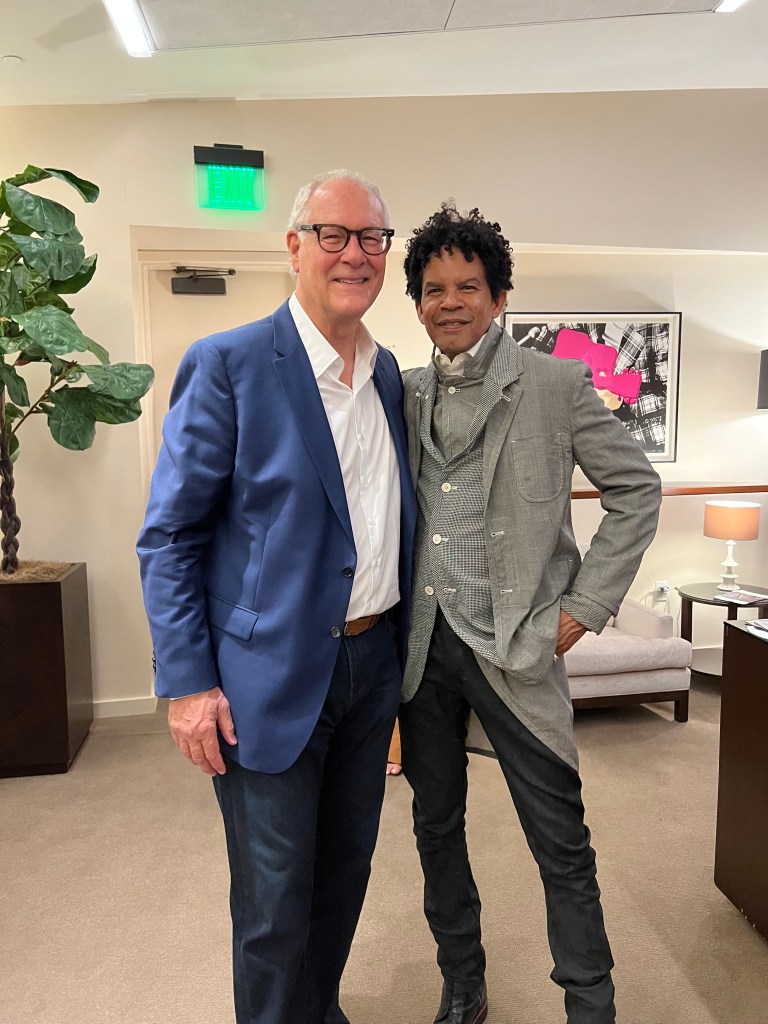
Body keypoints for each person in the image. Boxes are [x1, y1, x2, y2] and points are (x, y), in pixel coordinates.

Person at [137, 169, 416, 1024]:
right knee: (271, 905)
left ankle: (316, 1011)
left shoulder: (388, 374)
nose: (356, 254)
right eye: (334, 234)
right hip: (267, 675)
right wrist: (187, 685)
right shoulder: (227, 364)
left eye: (373, 237)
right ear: (293, 246)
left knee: (344, 875)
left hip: (370, 665)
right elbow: (170, 534)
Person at [398, 202, 662, 1024]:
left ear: (499, 294)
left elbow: (636, 490)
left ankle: (591, 1006)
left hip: (517, 646)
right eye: (434, 288)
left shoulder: (557, 383)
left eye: (467, 285)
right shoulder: (398, 392)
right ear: (416, 302)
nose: (451, 301)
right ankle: (463, 986)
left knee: (561, 840)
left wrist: (584, 607)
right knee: (436, 830)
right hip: (421, 649)